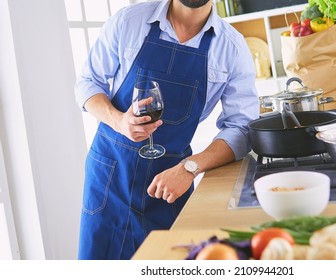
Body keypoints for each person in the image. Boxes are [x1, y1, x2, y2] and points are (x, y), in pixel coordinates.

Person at [74, 0, 259, 260]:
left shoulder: (232, 48)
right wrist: (118, 120)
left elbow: (242, 127)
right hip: (110, 180)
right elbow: (86, 82)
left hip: (170, 186)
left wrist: (190, 168)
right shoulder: (129, 21)